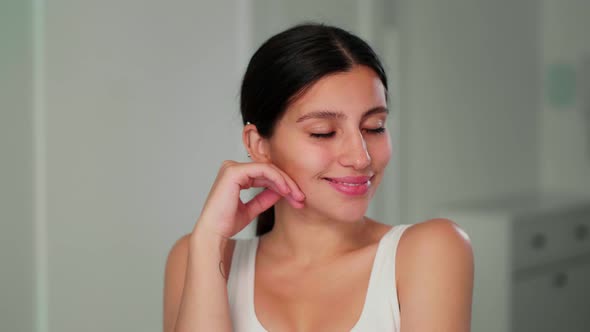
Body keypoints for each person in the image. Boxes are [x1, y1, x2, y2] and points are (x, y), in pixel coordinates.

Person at [163, 23, 474, 332]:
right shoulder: (197, 257)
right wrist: (208, 241)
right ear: (259, 146)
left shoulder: (430, 251)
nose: (360, 157)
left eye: (375, 126)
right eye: (323, 132)